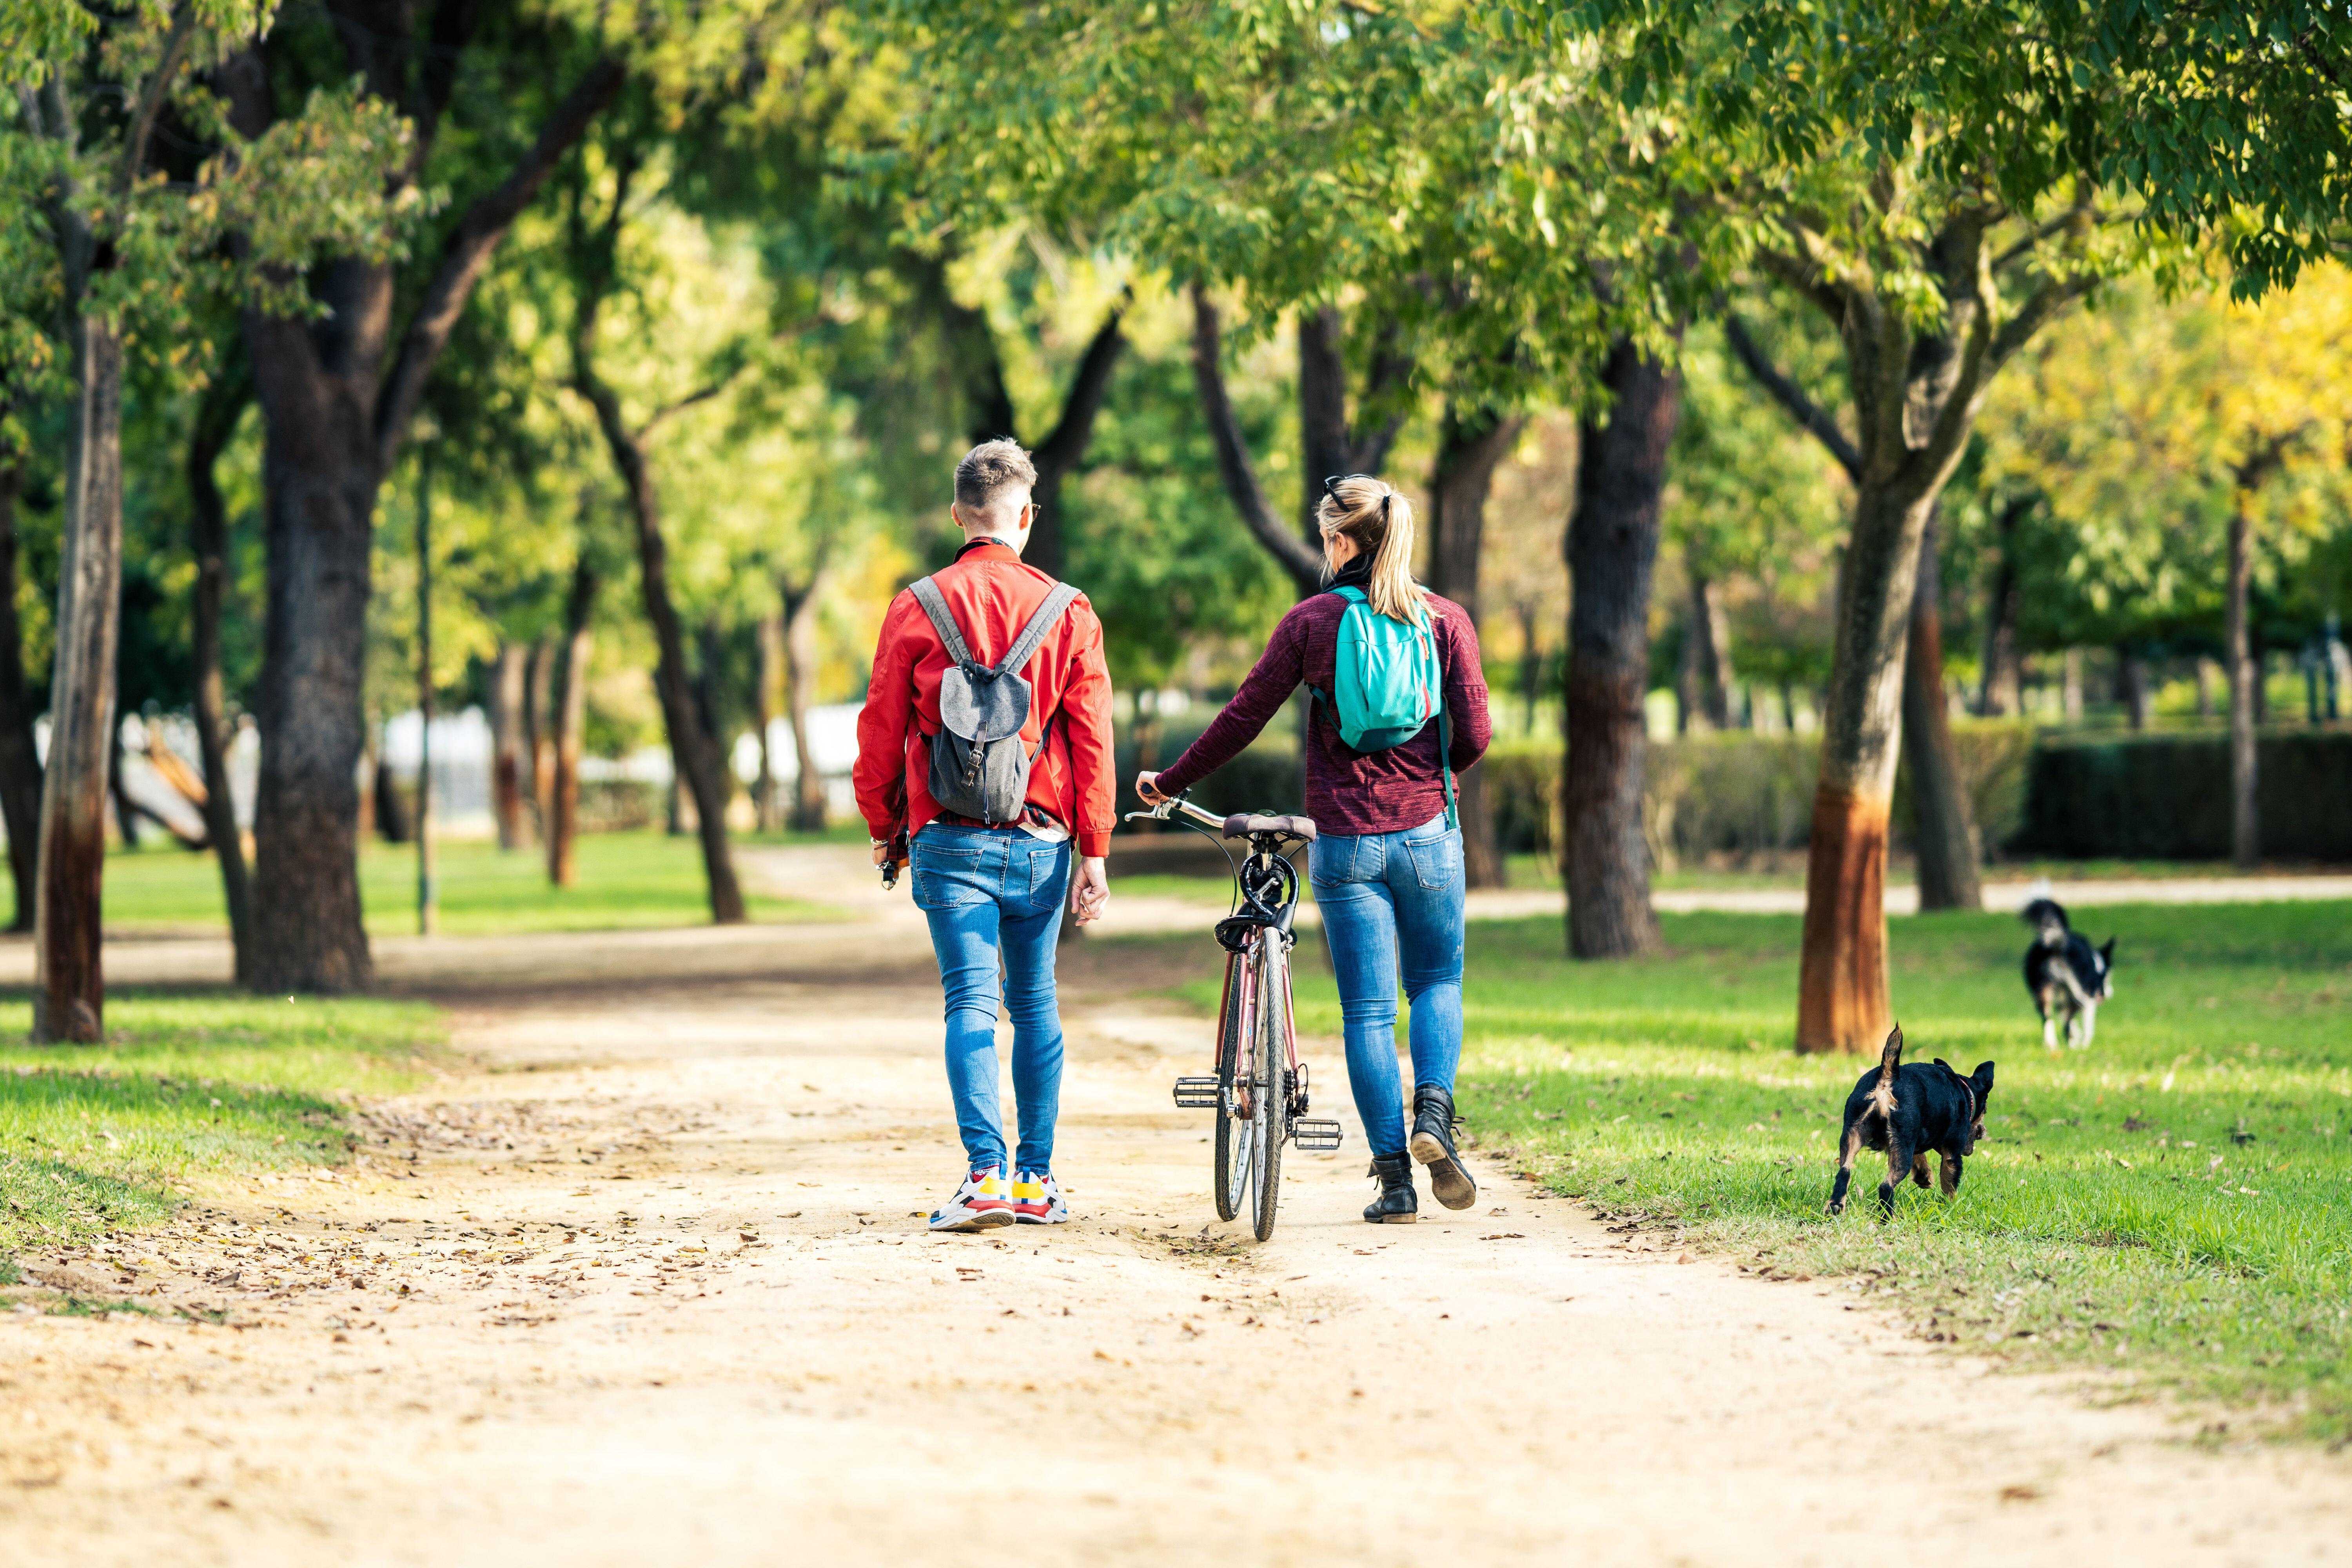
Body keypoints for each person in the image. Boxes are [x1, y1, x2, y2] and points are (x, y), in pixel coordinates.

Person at [1140, 475, 1491, 1223]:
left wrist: (1168, 780)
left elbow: (1241, 718)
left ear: (1339, 541)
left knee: (1367, 1012)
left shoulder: (1310, 624)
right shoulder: (1446, 621)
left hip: (1346, 842)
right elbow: (1479, 735)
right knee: (1435, 984)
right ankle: (1434, 1116)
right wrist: (1431, 783)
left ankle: (1395, 1181)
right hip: (1430, 835)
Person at [854, 440, 1114, 1232]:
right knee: (1034, 1003)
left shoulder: (916, 605)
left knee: (969, 1000)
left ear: (957, 514)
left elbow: (880, 729)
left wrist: (883, 825)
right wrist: (1095, 849)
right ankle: (1037, 1180)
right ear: (1026, 516)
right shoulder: (1069, 610)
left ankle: (985, 1177)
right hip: (1042, 839)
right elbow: (1093, 736)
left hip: (948, 837)